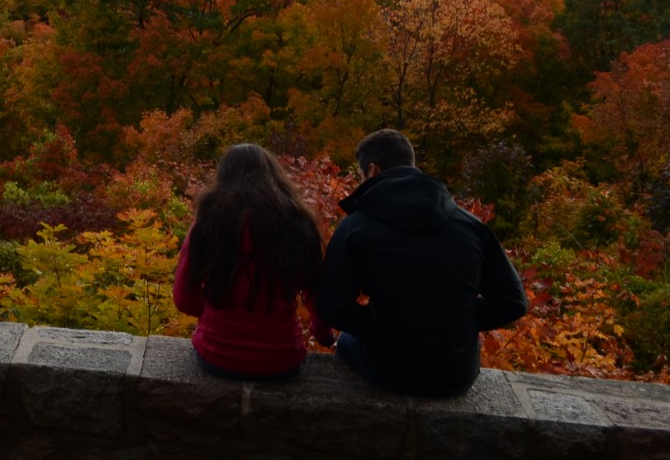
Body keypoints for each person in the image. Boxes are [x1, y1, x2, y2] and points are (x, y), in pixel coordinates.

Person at [317, 128, 527, 397]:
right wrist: (458, 317)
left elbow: (332, 305)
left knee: (346, 341)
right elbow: (513, 302)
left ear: (372, 170)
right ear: (412, 165)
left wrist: (379, 323)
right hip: (456, 374)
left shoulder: (356, 227)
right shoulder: (471, 226)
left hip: (388, 371)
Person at [173, 143, 332, 379]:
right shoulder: (298, 224)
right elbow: (316, 295)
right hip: (282, 359)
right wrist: (324, 337)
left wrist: (218, 314)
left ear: (224, 176)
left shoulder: (208, 224)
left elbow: (184, 298)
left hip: (217, 355)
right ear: (274, 176)